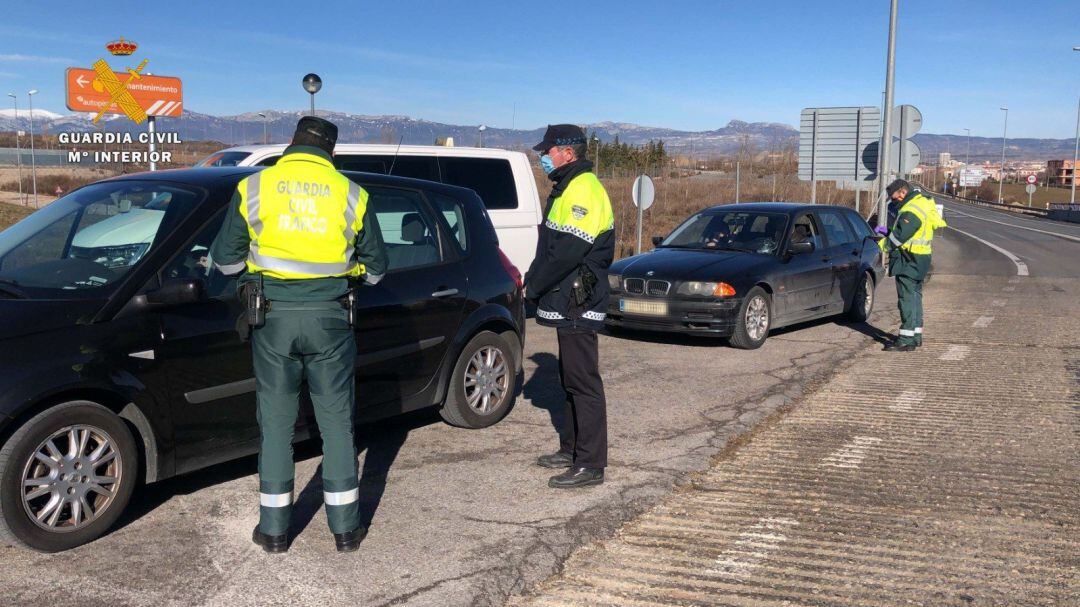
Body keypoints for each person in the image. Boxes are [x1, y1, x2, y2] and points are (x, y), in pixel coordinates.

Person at [209, 116, 387, 553]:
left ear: (292, 143)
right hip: (331, 319)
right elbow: (378, 270)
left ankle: (273, 532)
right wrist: (351, 273)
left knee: (275, 427)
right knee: (337, 425)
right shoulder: (352, 194)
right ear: (331, 151)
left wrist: (258, 270)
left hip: (272, 320)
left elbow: (225, 260)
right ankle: (346, 530)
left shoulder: (254, 187)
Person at [524, 124, 615, 489]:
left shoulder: (584, 189)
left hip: (580, 300)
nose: (543, 157)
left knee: (583, 381)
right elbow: (549, 245)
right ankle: (571, 449)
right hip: (568, 299)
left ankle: (591, 464)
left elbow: (565, 253)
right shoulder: (566, 187)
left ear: (567, 152)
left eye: (547, 151)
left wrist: (534, 285)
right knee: (569, 380)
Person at [880, 178, 946, 352]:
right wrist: (887, 232)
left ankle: (906, 340)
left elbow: (900, 236)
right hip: (921, 258)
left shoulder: (911, 209)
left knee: (907, 298)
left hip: (908, 259)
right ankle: (915, 336)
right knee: (915, 297)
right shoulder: (922, 202)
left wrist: (883, 244)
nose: (894, 201)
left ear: (903, 192)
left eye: (894, 198)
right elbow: (907, 233)